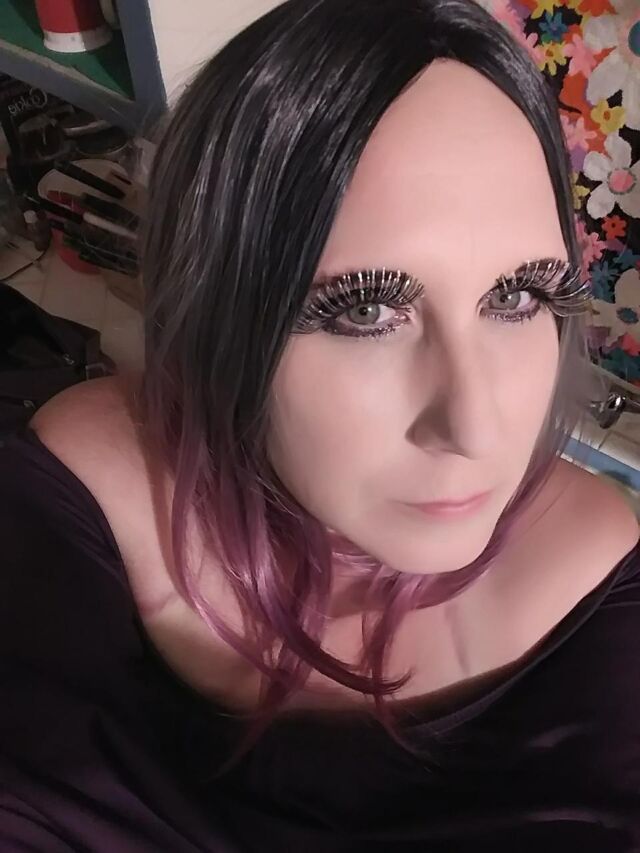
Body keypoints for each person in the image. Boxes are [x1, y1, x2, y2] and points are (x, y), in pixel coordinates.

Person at [2, 0, 639, 849]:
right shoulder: (90, 489)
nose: (477, 428)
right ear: (220, 314)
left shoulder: (594, 579)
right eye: (366, 309)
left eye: (520, 296)